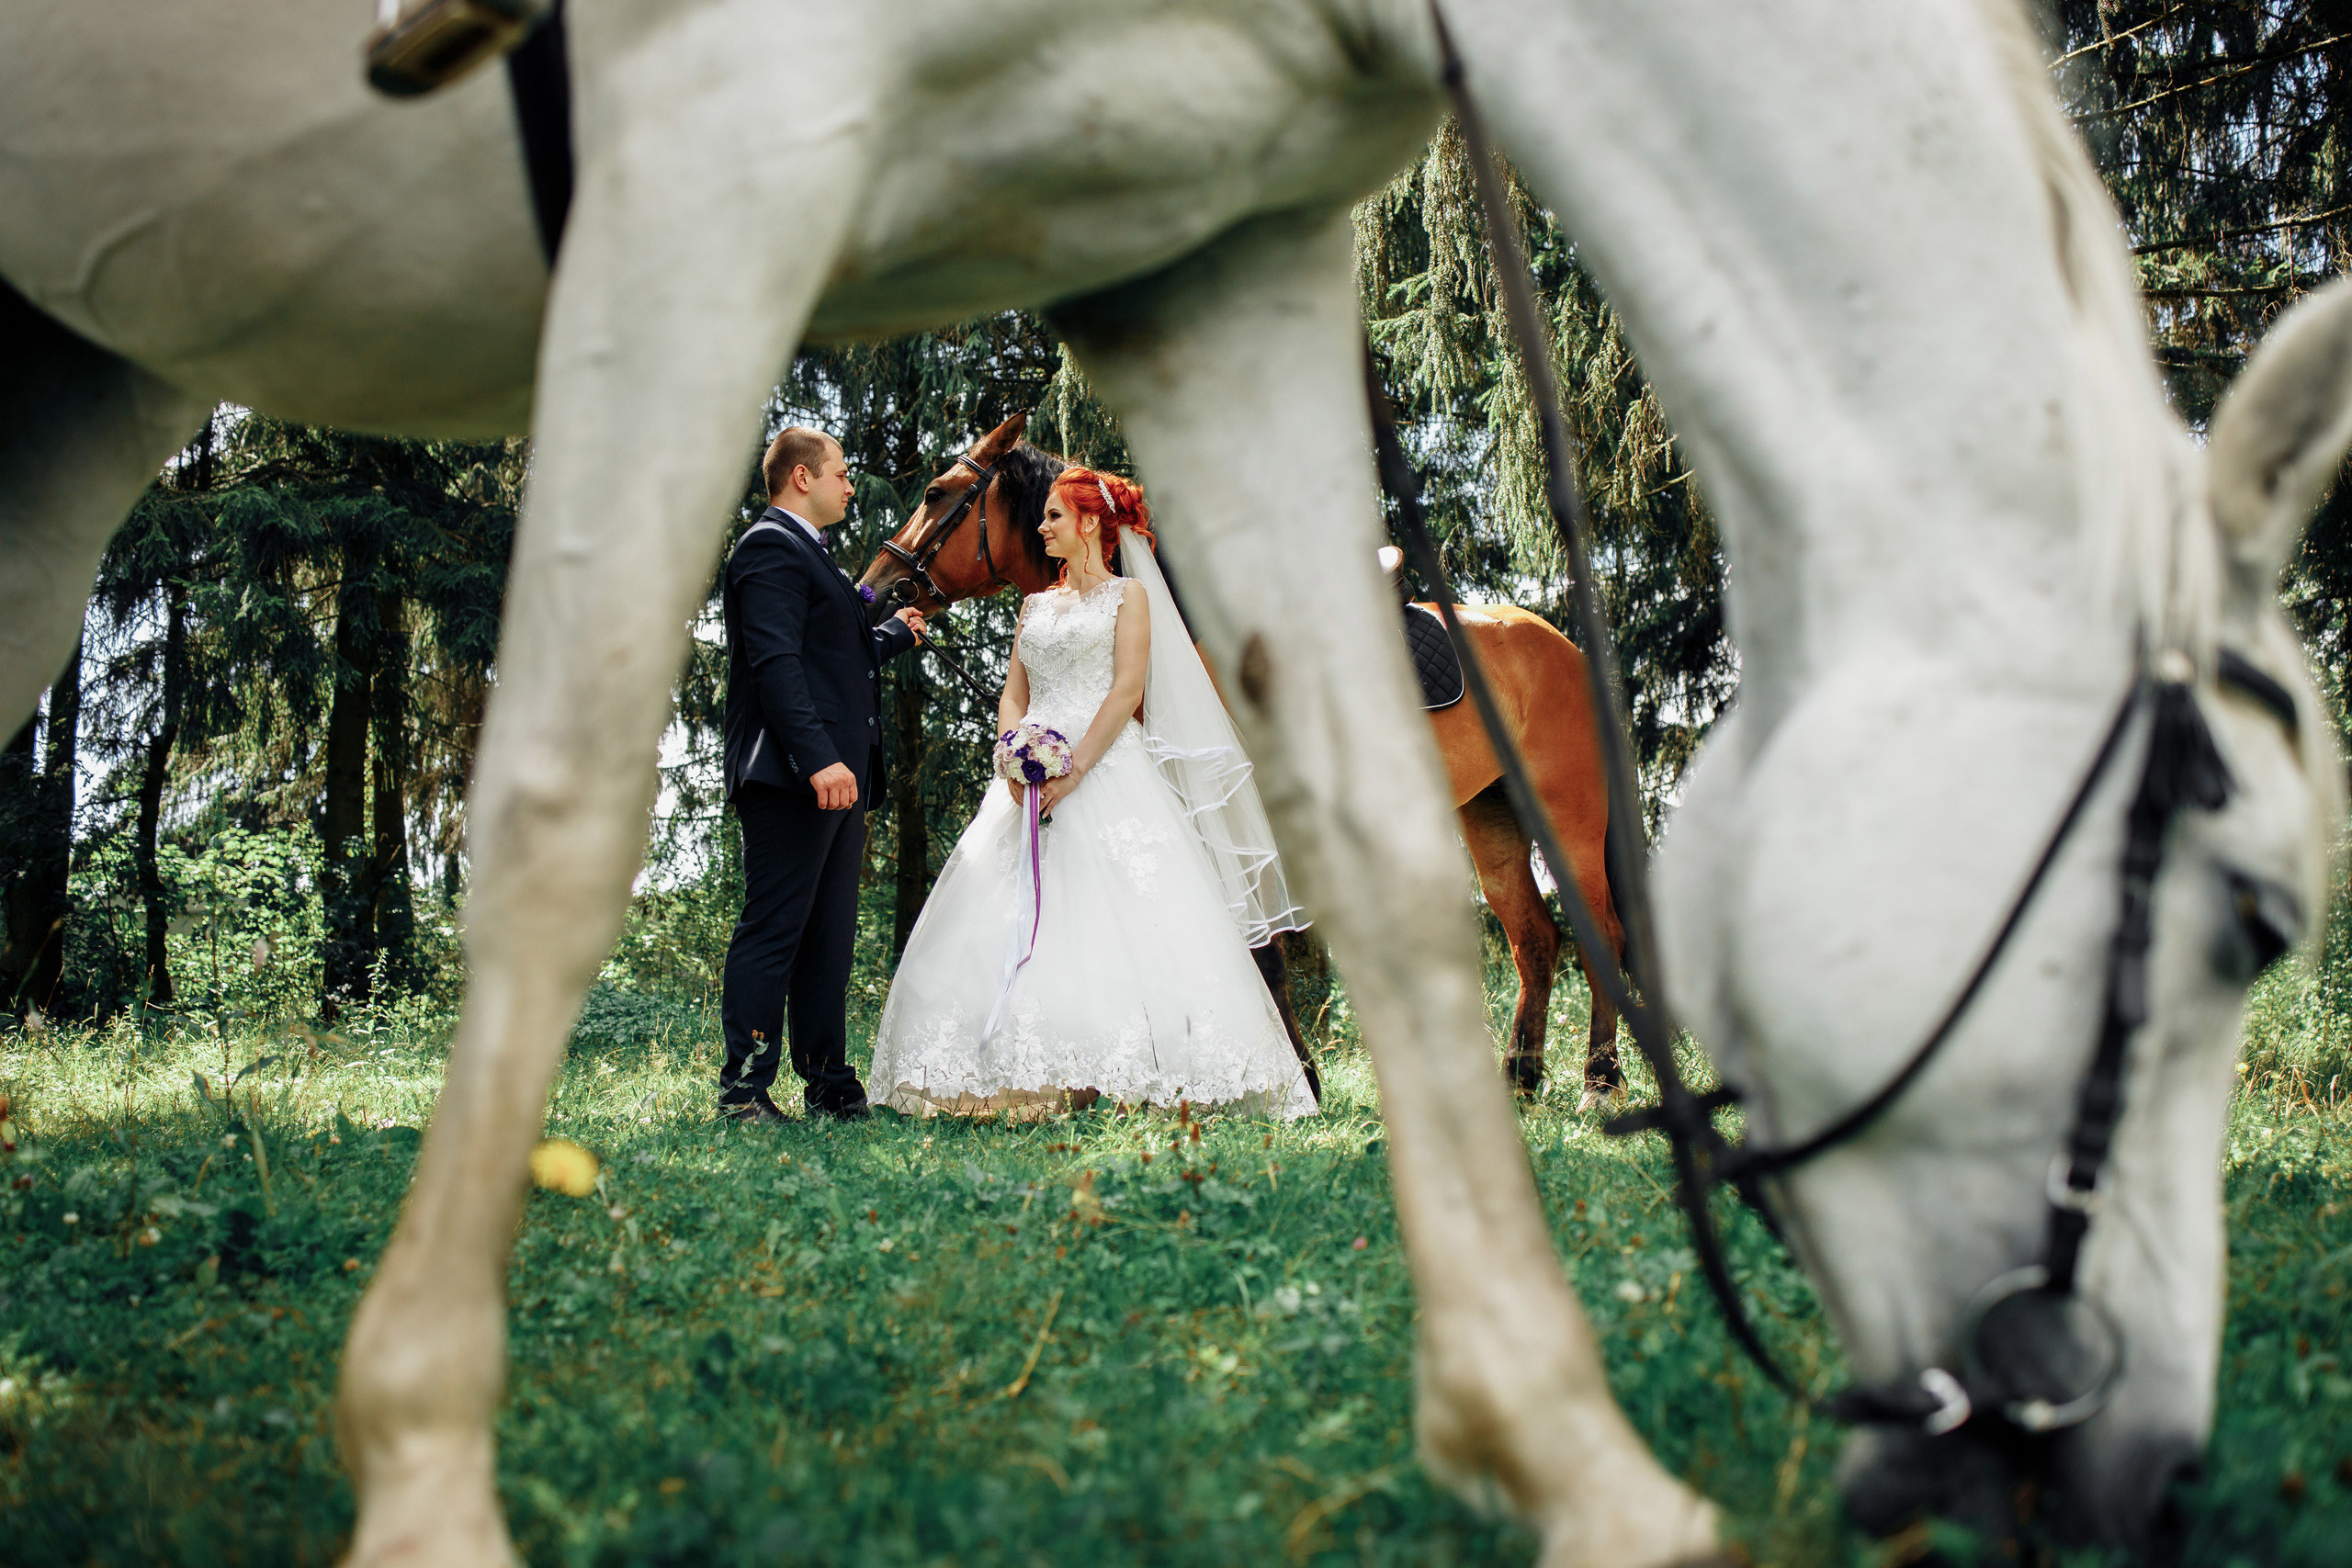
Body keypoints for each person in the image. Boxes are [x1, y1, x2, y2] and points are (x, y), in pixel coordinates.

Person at [868, 468, 1316, 1119]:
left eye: (1052, 516)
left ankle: (1143, 1068)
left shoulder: (1129, 597)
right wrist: (1011, 752)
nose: (1042, 526)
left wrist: (1073, 771)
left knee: (1129, 917)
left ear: (1088, 524)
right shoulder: (1033, 606)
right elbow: (1015, 691)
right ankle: (1028, 1067)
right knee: (1010, 915)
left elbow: (1126, 692)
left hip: (1104, 767)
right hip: (1029, 776)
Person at [717, 426, 926, 1123]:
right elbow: (774, 663)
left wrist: (894, 633)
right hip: (792, 775)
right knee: (775, 928)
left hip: (837, 775)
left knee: (828, 938)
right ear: (801, 478)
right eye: (840, 471)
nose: (848, 483)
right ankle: (743, 1090)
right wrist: (817, 758)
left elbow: (831, 656)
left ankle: (829, 1084)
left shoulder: (817, 560)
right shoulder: (769, 547)